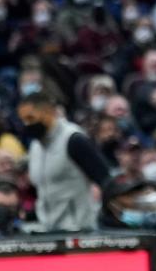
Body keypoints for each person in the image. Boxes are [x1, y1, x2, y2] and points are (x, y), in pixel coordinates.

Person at [18, 90, 110, 231]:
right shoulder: (35, 146)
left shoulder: (73, 139)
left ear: (49, 112)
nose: (26, 124)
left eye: (31, 118)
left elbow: (105, 180)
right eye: (23, 119)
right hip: (48, 230)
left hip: (79, 229)